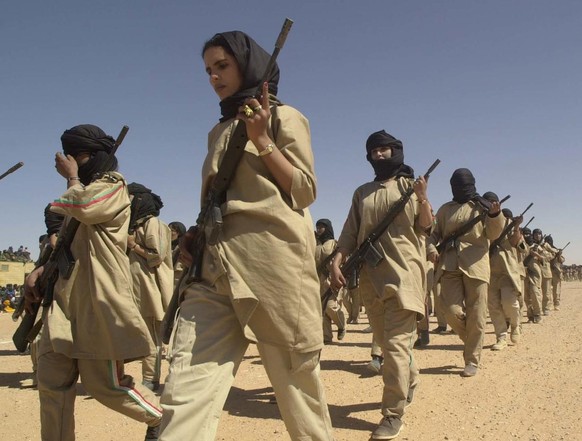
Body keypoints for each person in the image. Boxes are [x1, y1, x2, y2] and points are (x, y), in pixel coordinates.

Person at [159, 31, 333, 440]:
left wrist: (263, 139)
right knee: (184, 390)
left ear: (246, 64)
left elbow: (304, 189)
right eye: (207, 70)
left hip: (272, 268)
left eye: (222, 66)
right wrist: (197, 233)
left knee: (298, 393)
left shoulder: (285, 116)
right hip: (214, 271)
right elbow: (219, 196)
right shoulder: (218, 131)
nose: (214, 77)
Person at [24, 124, 162, 441]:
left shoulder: (112, 186)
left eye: (77, 156)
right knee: (51, 385)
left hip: (96, 305)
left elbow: (86, 207)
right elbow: (65, 244)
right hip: (63, 304)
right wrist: (41, 269)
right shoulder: (80, 194)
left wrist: (71, 178)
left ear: (92, 156)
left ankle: (162, 417)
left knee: (106, 385)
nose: (72, 163)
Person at [330, 130, 433, 440]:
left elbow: (426, 226)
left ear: (396, 151)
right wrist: (336, 260)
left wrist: (424, 197)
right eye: (373, 151)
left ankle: (392, 414)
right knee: (388, 346)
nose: (379, 155)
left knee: (398, 347)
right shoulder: (362, 192)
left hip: (404, 276)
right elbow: (350, 232)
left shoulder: (410, 187)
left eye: (384, 150)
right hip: (371, 279)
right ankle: (410, 380)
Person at [427, 170, 504, 377]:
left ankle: (472, 360)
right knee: (449, 310)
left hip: (476, 266)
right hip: (449, 265)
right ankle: (471, 340)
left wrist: (495, 215)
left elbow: (494, 234)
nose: (461, 188)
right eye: (457, 185)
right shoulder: (445, 210)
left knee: (477, 315)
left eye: (465, 184)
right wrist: (432, 248)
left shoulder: (482, 207)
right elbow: (434, 235)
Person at [127, 183, 174, 392]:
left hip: (150, 288)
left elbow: (156, 256)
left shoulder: (153, 224)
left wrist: (133, 245)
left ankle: (150, 379)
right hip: (135, 288)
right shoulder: (134, 225)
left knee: (151, 336)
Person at [487, 207, 524, 350]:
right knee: (494, 306)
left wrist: (516, 226)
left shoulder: (508, 223)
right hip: (489, 271)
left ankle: (515, 325)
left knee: (510, 302)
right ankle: (501, 337)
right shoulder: (482, 221)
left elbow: (516, 243)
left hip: (507, 271)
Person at [315, 218, 346, 344]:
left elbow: (342, 259)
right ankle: (327, 336)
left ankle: (341, 324)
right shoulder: (315, 243)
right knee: (321, 309)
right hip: (318, 280)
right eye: (317, 227)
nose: (319, 229)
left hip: (331, 278)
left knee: (330, 306)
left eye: (321, 227)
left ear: (327, 228)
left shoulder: (334, 243)